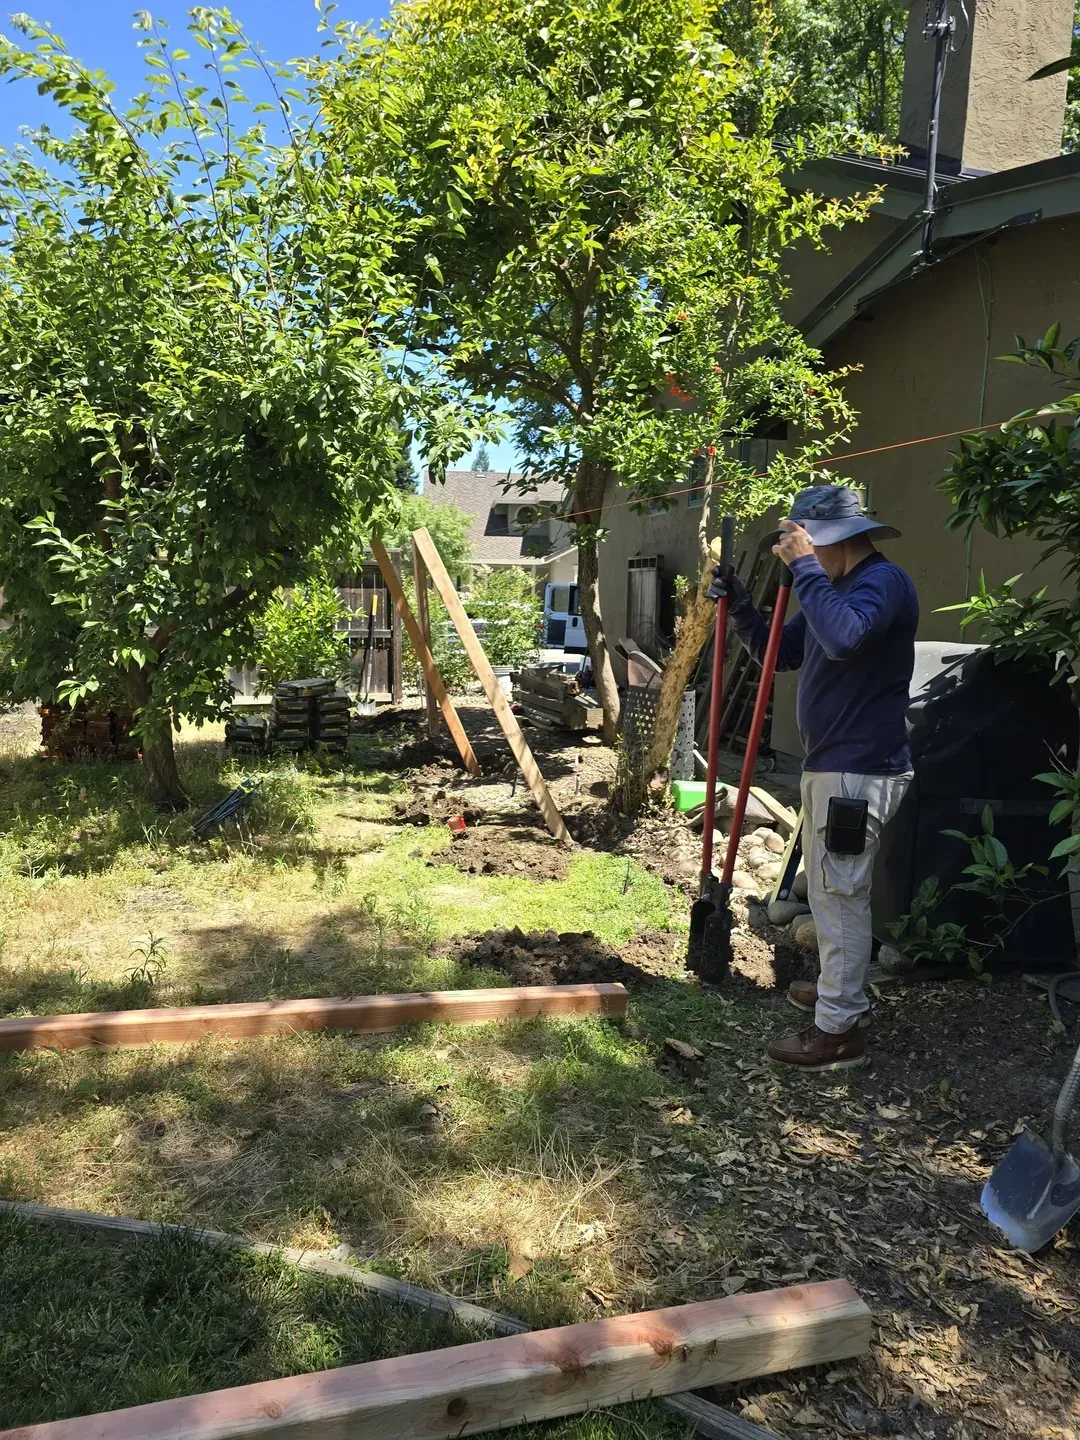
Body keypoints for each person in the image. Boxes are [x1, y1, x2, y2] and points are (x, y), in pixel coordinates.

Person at [725, 484, 918, 1072]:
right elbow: (780, 653)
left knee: (838, 897)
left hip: (858, 769)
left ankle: (838, 1031)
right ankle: (841, 995)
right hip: (833, 766)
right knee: (837, 891)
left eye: (807, 544)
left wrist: (805, 568)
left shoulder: (881, 585)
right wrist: (739, 606)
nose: (800, 555)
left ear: (832, 540)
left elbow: (844, 639)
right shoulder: (832, 591)